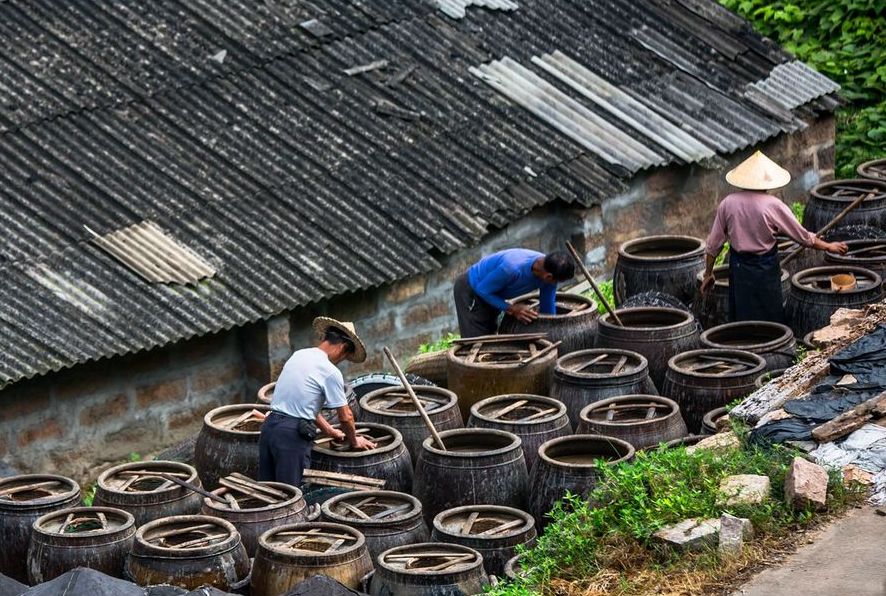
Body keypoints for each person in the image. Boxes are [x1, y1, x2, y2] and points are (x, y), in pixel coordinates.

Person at [701, 151, 848, 323]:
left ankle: (743, 337)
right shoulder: (773, 205)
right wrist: (828, 246)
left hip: (739, 267)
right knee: (769, 316)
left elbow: (713, 244)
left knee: (742, 314)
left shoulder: (728, 203)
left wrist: (708, 273)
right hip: (765, 268)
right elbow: (802, 237)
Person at [259, 317, 376, 486]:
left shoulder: (299, 355)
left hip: (269, 428)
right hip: (291, 436)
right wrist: (355, 440)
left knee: (267, 491)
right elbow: (346, 417)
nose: (340, 361)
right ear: (343, 347)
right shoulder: (330, 371)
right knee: (291, 494)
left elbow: (303, 405)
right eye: (344, 357)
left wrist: (329, 430)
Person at [453, 249, 575, 337]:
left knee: (491, 335)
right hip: (472, 288)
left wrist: (551, 331)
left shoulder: (548, 272)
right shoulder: (511, 268)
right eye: (557, 281)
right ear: (549, 277)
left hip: (494, 292)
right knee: (475, 341)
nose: (555, 284)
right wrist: (512, 308)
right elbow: (482, 290)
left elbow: (548, 307)